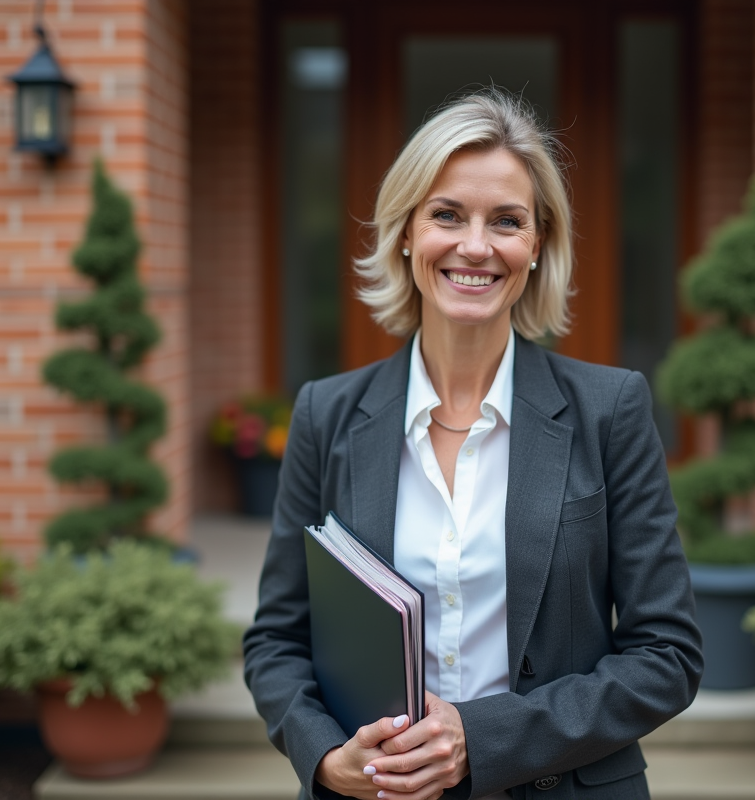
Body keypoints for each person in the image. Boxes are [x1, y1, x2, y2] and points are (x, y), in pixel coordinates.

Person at [243, 88, 703, 800]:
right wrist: (328, 757)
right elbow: (276, 640)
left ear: (537, 244)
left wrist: (480, 739)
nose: (476, 246)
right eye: (447, 215)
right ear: (405, 231)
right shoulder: (324, 414)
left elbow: (667, 656)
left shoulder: (610, 409)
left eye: (507, 221)